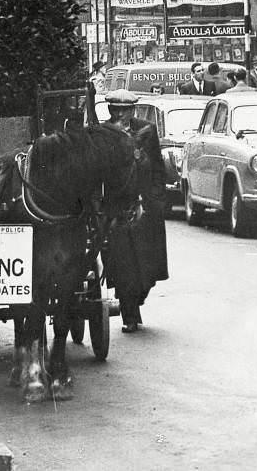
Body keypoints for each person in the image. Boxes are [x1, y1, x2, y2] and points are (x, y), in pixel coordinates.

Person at [101, 89, 168, 333]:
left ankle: (136, 300)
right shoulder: (103, 133)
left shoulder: (147, 130)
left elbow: (158, 168)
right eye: (116, 110)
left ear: (133, 110)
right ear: (110, 111)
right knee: (124, 267)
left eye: (125, 110)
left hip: (145, 206)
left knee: (148, 267)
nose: (121, 114)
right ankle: (129, 314)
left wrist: (158, 200)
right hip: (118, 209)